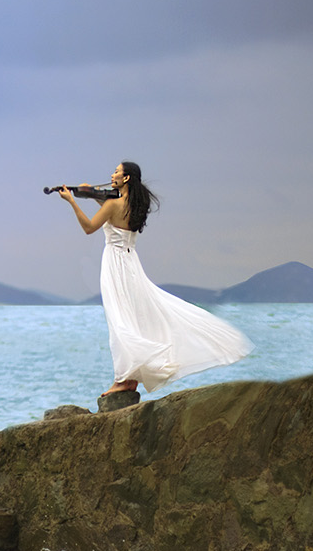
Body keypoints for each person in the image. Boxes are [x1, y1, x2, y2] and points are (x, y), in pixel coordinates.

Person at [58, 162, 250, 398]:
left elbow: (90, 227)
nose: (112, 175)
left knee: (119, 319)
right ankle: (129, 379)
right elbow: (112, 214)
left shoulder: (112, 204)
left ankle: (122, 379)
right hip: (131, 263)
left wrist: (73, 201)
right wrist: (92, 196)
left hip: (115, 265)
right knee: (132, 318)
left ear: (126, 178)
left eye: (116, 172)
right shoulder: (133, 205)